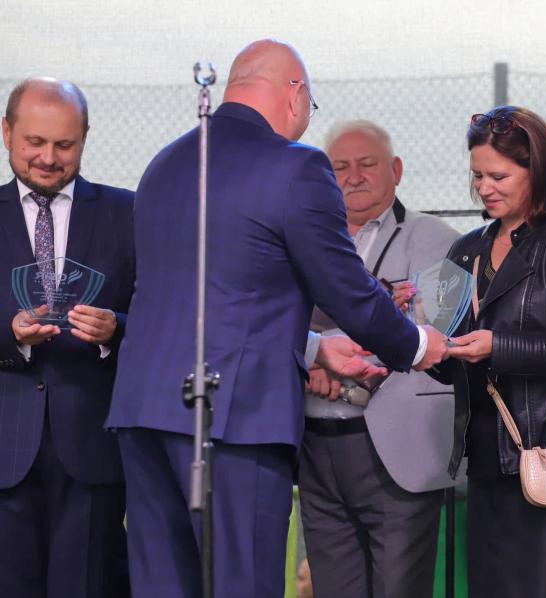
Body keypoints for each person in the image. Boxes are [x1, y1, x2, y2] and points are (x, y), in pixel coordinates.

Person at [106, 40, 448, 598]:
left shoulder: (163, 164)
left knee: (163, 586)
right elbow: (346, 289)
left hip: (142, 414)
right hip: (235, 420)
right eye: (310, 105)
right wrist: (415, 344)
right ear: (295, 93)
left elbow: (209, 298)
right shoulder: (298, 166)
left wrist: (312, 347)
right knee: (240, 583)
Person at [429, 105, 546, 597]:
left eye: (498, 176)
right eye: (477, 175)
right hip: (489, 463)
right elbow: (444, 362)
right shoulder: (464, 250)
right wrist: (421, 338)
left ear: (538, 171)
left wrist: (499, 347)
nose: (484, 188)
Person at [298, 120, 461, 598]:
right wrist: (312, 356)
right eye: (340, 167)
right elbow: (277, 316)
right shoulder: (304, 239)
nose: (353, 176)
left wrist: (322, 357)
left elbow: (435, 336)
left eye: (367, 164)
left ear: (396, 170)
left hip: (396, 449)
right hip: (314, 446)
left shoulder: (437, 239)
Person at [0, 78, 133, 597]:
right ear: (6, 133)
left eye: (64, 144)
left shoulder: (128, 213)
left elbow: (162, 314)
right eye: (35, 142)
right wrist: (9, 334)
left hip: (93, 453)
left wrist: (115, 328)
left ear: (85, 138)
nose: (49, 158)